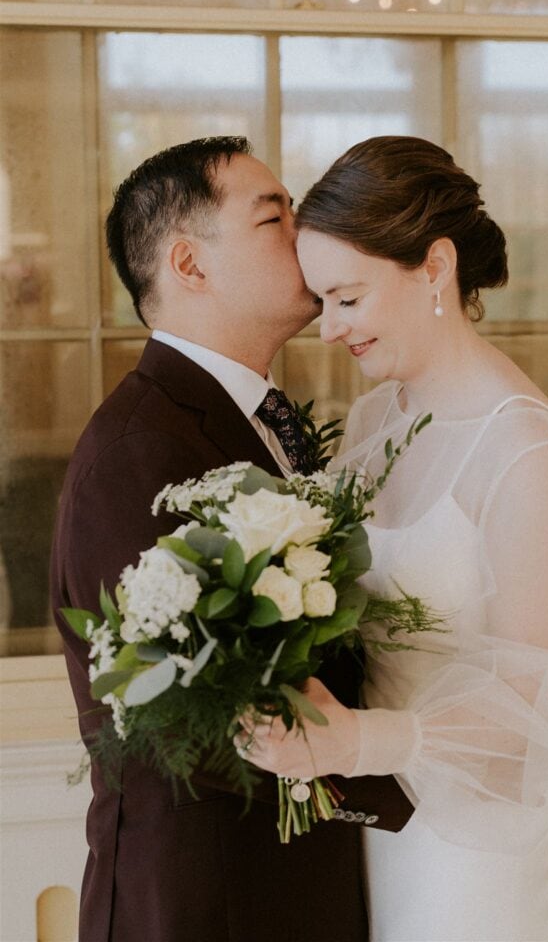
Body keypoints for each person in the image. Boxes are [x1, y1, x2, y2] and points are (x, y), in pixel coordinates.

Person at [237, 135, 548, 942]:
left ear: (435, 267)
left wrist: (357, 740)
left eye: (347, 298)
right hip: (380, 823)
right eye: (323, 302)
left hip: (478, 854)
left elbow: (530, 712)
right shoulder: (382, 418)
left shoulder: (526, 457)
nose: (328, 330)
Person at [50, 136, 413, 942]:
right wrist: (403, 769)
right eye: (274, 215)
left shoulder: (264, 421)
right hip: (205, 902)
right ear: (188, 264)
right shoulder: (136, 451)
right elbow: (178, 717)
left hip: (289, 884)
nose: (309, 230)